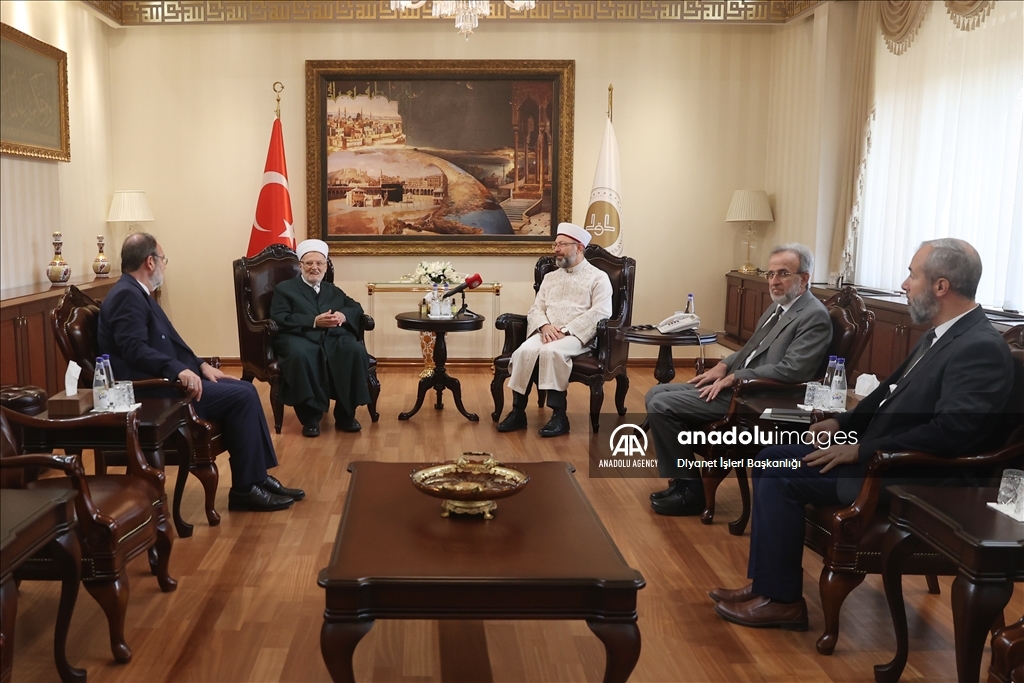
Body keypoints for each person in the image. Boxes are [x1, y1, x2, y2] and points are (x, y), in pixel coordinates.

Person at [712, 238, 1014, 631]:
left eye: (912, 275)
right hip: (881, 455)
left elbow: (952, 433)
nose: (904, 284)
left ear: (941, 286)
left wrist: (861, 450)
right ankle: (766, 587)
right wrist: (842, 425)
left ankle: (782, 602)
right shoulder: (940, 334)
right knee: (771, 455)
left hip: (912, 473)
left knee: (779, 472)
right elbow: (887, 393)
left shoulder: (979, 347)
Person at [98, 233, 304, 512]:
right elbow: (134, 349)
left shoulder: (136, 292)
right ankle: (245, 489)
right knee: (242, 397)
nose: (164, 266)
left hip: (167, 382)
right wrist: (178, 371)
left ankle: (257, 478)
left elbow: (170, 344)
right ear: (150, 262)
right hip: (154, 393)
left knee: (245, 389)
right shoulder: (127, 295)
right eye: (163, 259)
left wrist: (200, 365)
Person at [645, 243, 832, 515]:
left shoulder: (813, 316)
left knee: (661, 405)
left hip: (759, 397)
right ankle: (682, 482)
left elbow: (793, 370)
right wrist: (723, 365)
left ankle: (691, 493)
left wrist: (736, 377)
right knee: (655, 394)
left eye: (783, 273)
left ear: (804, 278)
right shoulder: (779, 307)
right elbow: (750, 350)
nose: (774, 281)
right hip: (740, 387)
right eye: (770, 274)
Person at [496, 222, 613, 437]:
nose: (556, 249)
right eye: (555, 244)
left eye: (562, 244)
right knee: (522, 352)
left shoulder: (598, 277)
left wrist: (566, 331)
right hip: (547, 332)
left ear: (579, 247)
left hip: (578, 336)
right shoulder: (550, 278)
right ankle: (518, 412)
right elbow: (536, 308)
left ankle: (560, 416)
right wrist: (544, 326)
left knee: (552, 352)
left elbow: (601, 312)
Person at [269, 239, 370, 437]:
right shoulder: (285, 289)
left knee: (354, 350)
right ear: (300, 266)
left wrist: (343, 315)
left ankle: (345, 415)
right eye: (309, 263)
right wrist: (313, 321)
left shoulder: (332, 289)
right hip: (298, 335)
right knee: (301, 355)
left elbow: (355, 306)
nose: (314, 267)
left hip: (332, 336)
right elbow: (280, 317)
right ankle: (310, 419)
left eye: (319, 263)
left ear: (325, 267)